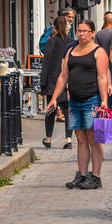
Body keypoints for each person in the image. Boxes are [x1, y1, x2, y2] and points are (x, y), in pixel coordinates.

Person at [45, 18, 112, 189]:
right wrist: (54, 98)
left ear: (92, 33)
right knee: (80, 138)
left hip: (93, 99)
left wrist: (104, 100)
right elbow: (63, 76)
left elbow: (102, 76)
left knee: (94, 138)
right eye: (79, 31)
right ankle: (82, 174)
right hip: (74, 100)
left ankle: (96, 176)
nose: (81, 34)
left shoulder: (99, 52)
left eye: (85, 31)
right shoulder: (71, 50)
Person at [40, 14, 73, 149]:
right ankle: (68, 138)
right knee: (67, 110)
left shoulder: (51, 41)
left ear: (54, 27)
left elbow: (46, 62)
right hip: (67, 81)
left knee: (51, 110)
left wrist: (43, 82)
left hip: (53, 81)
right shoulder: (71, 42)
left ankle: (48, 138)